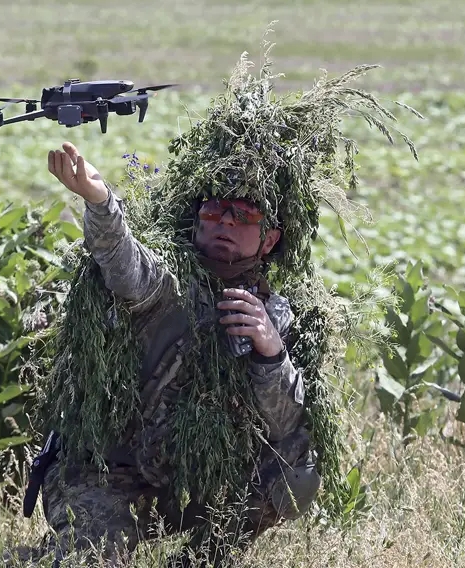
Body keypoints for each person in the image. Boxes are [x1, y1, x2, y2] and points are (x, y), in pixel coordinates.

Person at [32, 141, 323, 567]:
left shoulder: (273, 314)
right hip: (103, 468)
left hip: (183, 478)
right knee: (96, 560)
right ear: (196, 223)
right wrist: (99, 200)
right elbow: (122, 262)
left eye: (244, 215)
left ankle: (200, 561)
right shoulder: (167, 284)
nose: (225, 222)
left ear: (270, 239)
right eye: (213, 211)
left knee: (297, 468)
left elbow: (286, 427)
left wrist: (270, 354)